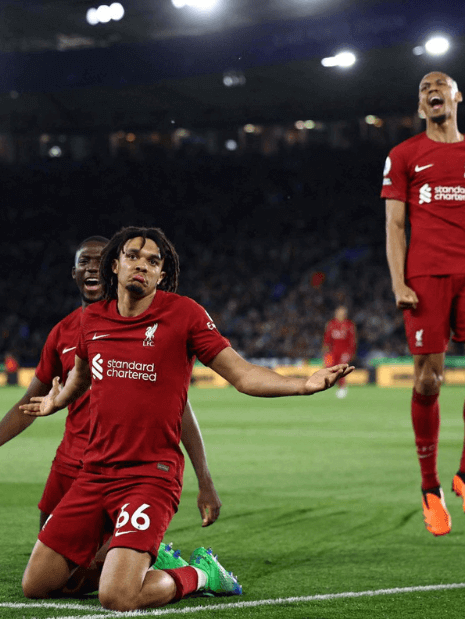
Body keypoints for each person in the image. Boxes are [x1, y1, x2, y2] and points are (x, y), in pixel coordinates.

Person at [19, 227, 353, 611]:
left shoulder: (184, 315)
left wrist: (302, 385)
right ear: (115, 265)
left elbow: (242, 374)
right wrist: (54, 402)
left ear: (162, 274)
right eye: (133, 256)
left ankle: (200, 574)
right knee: (37, 584)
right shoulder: (92, 320)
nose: (141, 265)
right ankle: (137, 560)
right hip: (94, 472)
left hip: (148, 476)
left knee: (118, 597)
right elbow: (80, 375)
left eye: (153, 261)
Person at [0, 235, 224, 595]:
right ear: (75, 272)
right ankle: (150, 563)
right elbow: (30, 403)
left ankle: (168, 568)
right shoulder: (64, 331)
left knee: (114, 583)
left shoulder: (145, 323)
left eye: (98, 260)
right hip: (73, 467)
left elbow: (179, 410)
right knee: (57, 583)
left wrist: (205, 478)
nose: (91, 267)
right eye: (84, 261)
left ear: (111, 267)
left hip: (129, 467)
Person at [382, 72, 465, 536]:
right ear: (420, 106)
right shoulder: (403, 155)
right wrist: (398, 280)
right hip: (426, 275)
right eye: (423, 88)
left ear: (457, 96)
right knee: (429, 380)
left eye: (441, 85)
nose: (432, 90)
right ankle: (430, 488)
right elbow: (395, 226)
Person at [322, 305, 356, 398]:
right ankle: (329, 385)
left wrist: (351, 352)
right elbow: (327, 339)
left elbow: (352, 340)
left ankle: (342, 387)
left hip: (345, 352)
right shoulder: (331, 324)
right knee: (330, 368)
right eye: (339, 312)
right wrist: (325, 351)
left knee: (341, 369)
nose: (341, 314)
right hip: (333, 352)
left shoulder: (349, 325)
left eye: (343, 313)